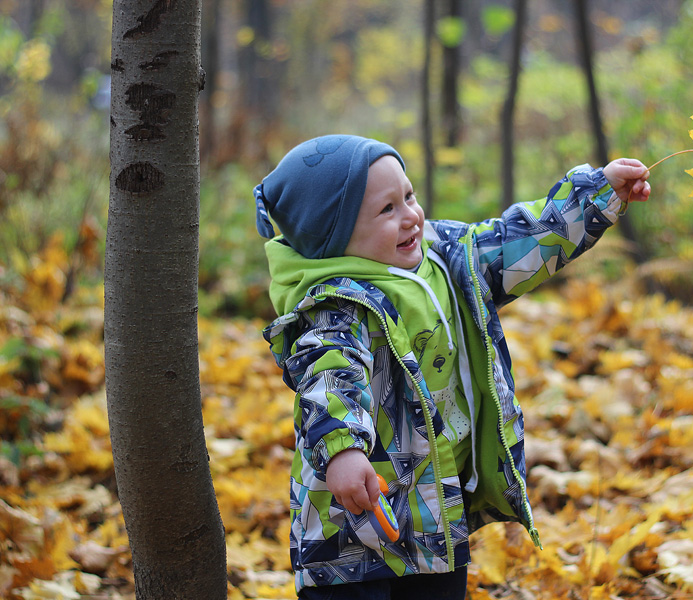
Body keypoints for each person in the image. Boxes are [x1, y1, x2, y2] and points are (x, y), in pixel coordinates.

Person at [255, 134, 650, 599]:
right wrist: (342, 450)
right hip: (351, 533)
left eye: (409, 196)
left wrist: (597, 194)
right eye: (387, 211)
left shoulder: (447, 257)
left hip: (434, 515)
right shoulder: (337, 305)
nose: (410, 217)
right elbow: (329, 374)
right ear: (334, 240)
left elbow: (523, 243)